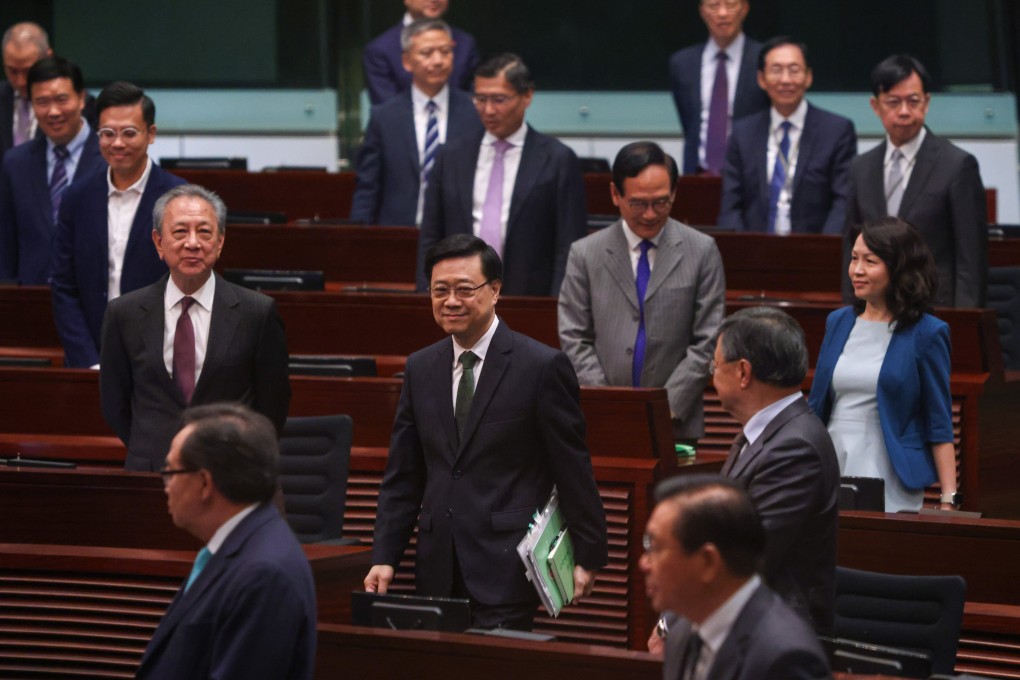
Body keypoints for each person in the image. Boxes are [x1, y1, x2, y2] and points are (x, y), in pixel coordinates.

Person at [365, 234, 608, 630]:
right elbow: (404, 476)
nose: (451, 301)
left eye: (465, 289)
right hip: (437, 568)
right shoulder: (420, 368)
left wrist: (588, 555)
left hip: (506, 567)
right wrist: (385, 555)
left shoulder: (541, 367)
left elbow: (573, 468)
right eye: (439, 290)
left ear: (495, 290)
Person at [100, 184, 291, 472]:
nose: (193, 243)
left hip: (230, 476)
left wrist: (242, 456)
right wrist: (150, 446)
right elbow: (115, 403)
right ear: (158, 242)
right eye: (180, 232)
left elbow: (273, 406)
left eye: (204, 232)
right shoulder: (124, 313)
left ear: (220, 242)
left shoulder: (257, 313)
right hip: (151, 472)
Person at [558, 141, 725, 443]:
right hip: (603, 419)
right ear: (615, 194)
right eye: (637, 203)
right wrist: (612, 405)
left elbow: (708, 339)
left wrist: (667, 407)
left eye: (661, 202)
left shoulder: (701, 250)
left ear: (674, 193)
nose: (649, 214)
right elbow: (573, 336)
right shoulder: (585, 253)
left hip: (677, 422)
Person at [136, 403, 316, 680]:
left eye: (171, 472)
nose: (166, 486)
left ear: (205, 483)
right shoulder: (240, 546)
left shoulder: (263, 574)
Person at [810, 217, 957, 513]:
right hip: (830, 461)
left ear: (899, 268)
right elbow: (816, 406)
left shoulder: (927, 333)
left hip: (889, 468)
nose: (857, 270)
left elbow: (939, 424)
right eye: (854, 259)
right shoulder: (838, 322)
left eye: (870, 261)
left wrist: (948, 499)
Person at [713, 306, 839, 633]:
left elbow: (748, 559)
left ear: (743, 372)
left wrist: (676, 622)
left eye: (714, 365)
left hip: (773, 639)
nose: (710, 375)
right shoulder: (766, 434)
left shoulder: (795, 448)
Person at [418, 53, 587, 296]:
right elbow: (431, 235)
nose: (488, 110)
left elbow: (568, 246)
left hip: (529, 296)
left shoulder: (557, 159)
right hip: (460, 296)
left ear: (527, 96)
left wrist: (558, 306)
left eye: (499, 99)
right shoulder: (451, 156)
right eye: (480, 99)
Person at [642, 475, 831, 680]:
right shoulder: (682, 632)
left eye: (656, 548)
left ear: (708, 562)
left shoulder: (784, 658)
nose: (644, 563)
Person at [50, 81, 185, 368]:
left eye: (129, 133)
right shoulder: (77, 197)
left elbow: (188, 285)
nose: (118, 143)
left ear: (151, 134)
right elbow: (64, 285)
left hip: (159, 361)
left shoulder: (180, 199)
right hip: (89, 357)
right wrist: (88, 359)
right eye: (107, 133)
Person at [844, 54, 987, 307]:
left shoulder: (957, 165)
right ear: (875, 106)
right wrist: (851, 311)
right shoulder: (861, 168)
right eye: (893, 102)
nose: (904, 111)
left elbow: (971, 258)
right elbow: (851, 249)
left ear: (927, 103)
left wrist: (965, 321)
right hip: (875, 308)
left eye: (913, 101)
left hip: (934, 308)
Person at [350, 18, 483, 226]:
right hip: (400, 234)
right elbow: (368, 186)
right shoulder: (384, 117)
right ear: (407, 61)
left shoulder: (476, 112)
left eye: (446, 51)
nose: (438, 60)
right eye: (427, 53)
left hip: (460, 236)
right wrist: (357, 236)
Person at [719, 37, 856, 234]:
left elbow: (843, 202)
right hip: (754, 252)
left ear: (808, 77)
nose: (785, 80)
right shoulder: (742, 134)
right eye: (776, 70)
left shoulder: (836, 131)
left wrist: (823, 250)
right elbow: (731, 205)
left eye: (794, 70)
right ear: (761, 79)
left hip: (816, 252)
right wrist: (743, 251)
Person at [0, 56, 103, 284]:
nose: (53, 111)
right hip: (29, 302)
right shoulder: (15, 164)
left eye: (61, 99)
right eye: (42, 102)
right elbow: (5, 249)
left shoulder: (110, 160)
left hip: (96, 306)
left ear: (81, 99)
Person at [668, 0, 770, 175]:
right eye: (714, 6)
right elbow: (689, 122)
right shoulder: (682, 63)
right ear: (702, 11)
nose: (722, 13)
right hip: (697, 175)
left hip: (750, 175)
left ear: (744, 9)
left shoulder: (765, 60)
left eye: (730, 5)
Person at [0, 22, 97, 159]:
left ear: (48, 57)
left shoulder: (82, 106)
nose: (20, 81)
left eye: (28, 71)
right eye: (12, 71)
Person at [363, 0, 479, 105]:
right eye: (426, 52)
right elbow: (387, 112)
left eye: (445, 51)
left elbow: (475, 99)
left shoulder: (465, 43)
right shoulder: (381, 49)